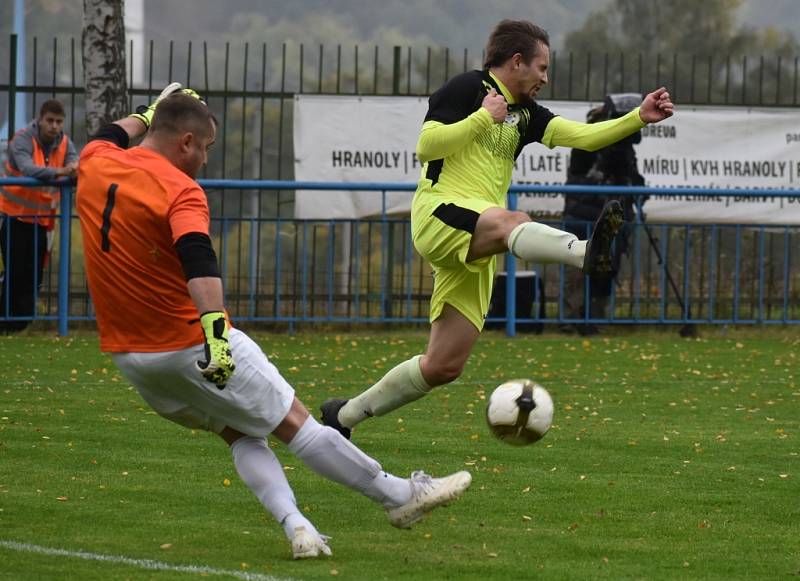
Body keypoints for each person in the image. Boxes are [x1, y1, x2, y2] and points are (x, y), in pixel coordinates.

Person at [75, 83, 471, 560]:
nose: (204, 158)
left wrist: (150, 108)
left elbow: (110, 132)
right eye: (205, 147)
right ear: (185, 141)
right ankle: (401, 497)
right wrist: (216, 337)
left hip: (133, 359)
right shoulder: (181, 189)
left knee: (239, 432)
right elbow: (198, 260)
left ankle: (297, 526)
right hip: (186, 342)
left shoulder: (96, 160)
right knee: (298, 426)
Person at [321, 19, 673, 439]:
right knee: (514, 222)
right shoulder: (468, 89)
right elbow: (426, 147)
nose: (545, 77)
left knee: (443, 365)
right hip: (440, 213)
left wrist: (638, 116)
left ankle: (343, 416)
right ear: (518, 61)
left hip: (478, 239)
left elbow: (584, 137)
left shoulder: (528, 115)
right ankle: (583, 252)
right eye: (541, 68)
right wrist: (483, 118)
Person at [561, 95, 645, 336]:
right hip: (582, 215)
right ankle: (572, 319)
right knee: (576, 265)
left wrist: (636, 188)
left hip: (612, 217)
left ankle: (595, 318)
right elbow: (581, 174)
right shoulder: (585, 142)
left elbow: (633, 180)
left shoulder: (625, 150)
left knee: (606, 266)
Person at [0, 99, 79, 333]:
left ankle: (19, 324)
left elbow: (75, 163)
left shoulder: (65, 142)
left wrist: (73, 168)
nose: (54, 126)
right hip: (14, 217)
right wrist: (63, 171)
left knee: (34, 276)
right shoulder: (23, 139)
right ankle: (6, 321)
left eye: (59, 122)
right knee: (15, 272)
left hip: (44, 221)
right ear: (40, 119)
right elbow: (27, 168)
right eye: (50, 121)